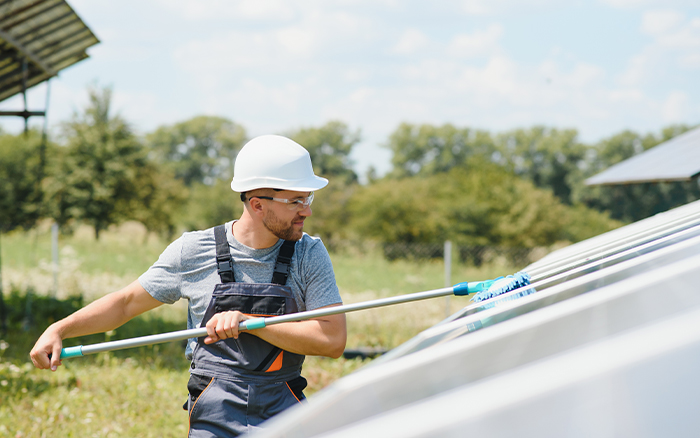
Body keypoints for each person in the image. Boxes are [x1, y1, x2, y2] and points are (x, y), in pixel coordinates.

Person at [30, 135, 347, 437]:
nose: (306, 210)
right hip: (215, 408)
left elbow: (331, 341)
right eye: (295, 201)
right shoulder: (194, 251)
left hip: (285, 406)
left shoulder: (309, 253)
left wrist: (251, 324)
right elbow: (126, 302)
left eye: (308, 198)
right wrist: (60, 329)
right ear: (257, 204)